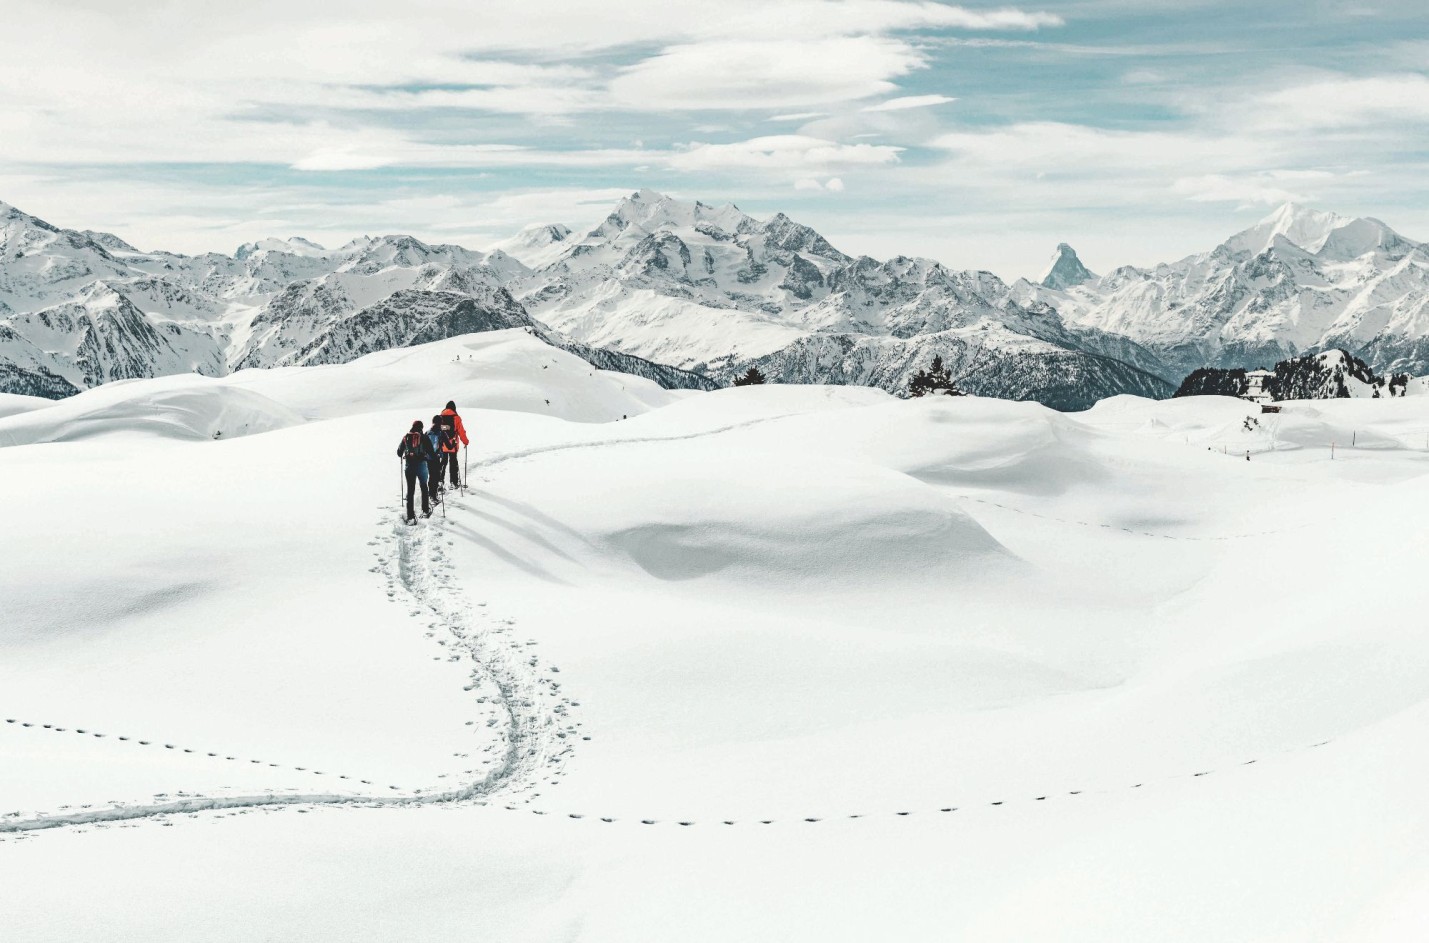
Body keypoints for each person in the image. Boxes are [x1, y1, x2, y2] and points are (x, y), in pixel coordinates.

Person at [396, 420, 437, 523]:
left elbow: (399, 452)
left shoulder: (406, 437)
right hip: (421, 466)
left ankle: (410, 516)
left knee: (410, 491)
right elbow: (431, 453)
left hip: (409, 467)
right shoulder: (424, 437)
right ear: (421, 428)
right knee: (424, 487)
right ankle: (425, 510)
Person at [439, 400, 469, 490]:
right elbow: (461, 431)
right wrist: (465, 442)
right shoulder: (456, 418)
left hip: (442, 444)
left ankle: (440, 482)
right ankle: (454, 482)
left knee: (443, 463)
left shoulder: (440, 417)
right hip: (453, 444)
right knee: (453, 462)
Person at [428, 414, 448, 498]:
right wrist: (454, 443)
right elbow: (449, 446)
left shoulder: (428, 432)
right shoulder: (442, 433)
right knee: (436, 476)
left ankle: (430, 494)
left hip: (428, 457)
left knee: (431, 476)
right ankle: (434, 495)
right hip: (437, 457)